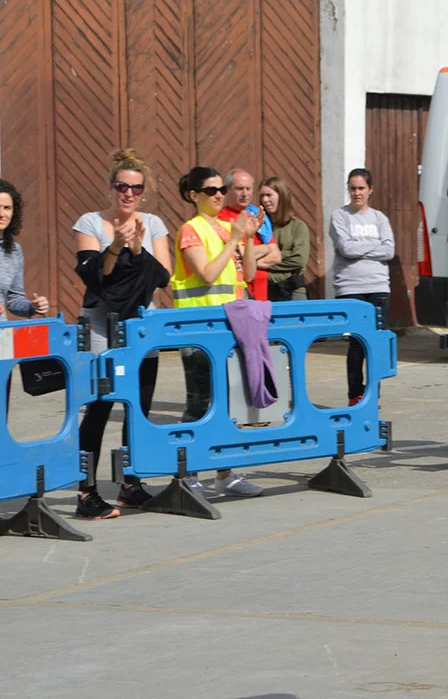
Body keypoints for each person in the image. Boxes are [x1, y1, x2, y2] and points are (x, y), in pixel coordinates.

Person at [72, 149, 172, 519]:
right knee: (99, 407)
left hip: (141, 325)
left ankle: (131, 484)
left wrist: (136, 248)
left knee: (139, 407)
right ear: (111, 187)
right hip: (102, 326)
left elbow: (162, 277)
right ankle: (86, 491)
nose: (128, 194)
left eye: (136, 188)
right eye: (122, 186)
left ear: (144, 192)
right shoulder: (90, 223)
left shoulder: (153, 224)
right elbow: (94, 278)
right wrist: (115, 247)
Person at [172, 166, 264, 498]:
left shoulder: (227, 228)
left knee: (227, 406)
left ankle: (225, 473)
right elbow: (208, 274)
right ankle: (187, 474)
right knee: (200, 404)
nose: (219, 196)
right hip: (199, 331)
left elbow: (249, 273)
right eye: (211, 191)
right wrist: (236, 238)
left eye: (221, 190)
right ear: (193, 195)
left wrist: (248, 238)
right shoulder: (190, 230)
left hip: (229, 328)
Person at [329, 168, 395, 406]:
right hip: (350, 287)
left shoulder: (380, 218)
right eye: (353, 188)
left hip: (378, 286)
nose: (357, 193)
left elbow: (390, 250)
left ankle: (373, 394)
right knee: (357, 343)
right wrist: (374, 245)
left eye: (361, 188)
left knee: (376, 343)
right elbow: (345, 248)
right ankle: (355, 394)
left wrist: (359, 246)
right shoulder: (339, 216)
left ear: (370, 190)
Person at [220, 169, 281, 301]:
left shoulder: (258, 216)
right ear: (228, 190)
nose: (245, 193)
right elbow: (236, 254)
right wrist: (265, 249)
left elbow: (276, 256)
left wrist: (248, 262)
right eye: (239, 189)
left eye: (248, 188)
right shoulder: (222, 218)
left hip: (261, 294)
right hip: (238, 295)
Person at [0, 180, 50, 323]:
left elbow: (13, 299)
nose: (2, 214)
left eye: (7, 208)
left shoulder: (14, 250)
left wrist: (33, 306)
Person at [260, 176, 310, 302]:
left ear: (281, 196)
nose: (265, 200)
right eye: (262, 196)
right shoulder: (259, 227)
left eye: (269, 195)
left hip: (293, 291)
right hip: (265, 290)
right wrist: (285, 254)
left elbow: (299, 259)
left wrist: (262, 262)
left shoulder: (298, 226)